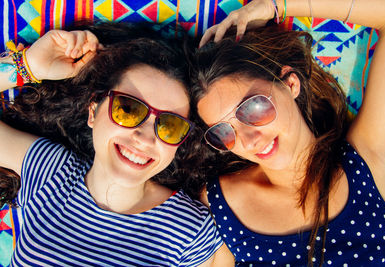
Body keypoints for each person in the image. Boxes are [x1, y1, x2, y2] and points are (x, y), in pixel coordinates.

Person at [191, 0, 385, 266]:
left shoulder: (369, 160)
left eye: (253, 108)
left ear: (290, 83)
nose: (249, 139)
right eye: (224, 132)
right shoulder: (218, 203)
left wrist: (275, 6)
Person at [0, 22, 222, 266]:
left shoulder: (191, 232)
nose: (145, 138)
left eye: (170, 126)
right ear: (93, 111)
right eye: (128, 109)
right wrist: (28, 66)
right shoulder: (52, 171)